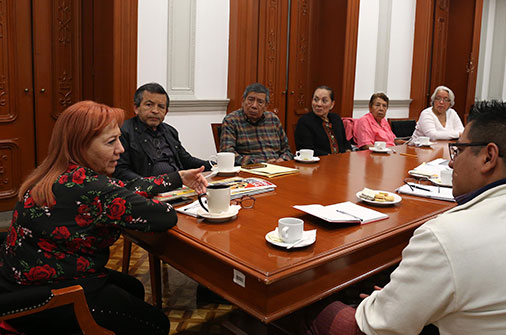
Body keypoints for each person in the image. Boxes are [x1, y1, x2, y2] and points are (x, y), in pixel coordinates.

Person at [307, 100, 506, 335]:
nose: (452, 161)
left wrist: (382, 304)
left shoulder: (447, 236)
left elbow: (378, 326)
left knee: (314, 309)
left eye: (459, 149)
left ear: (488, 157)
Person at [0, 101, 207, 334]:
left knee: (133, 287)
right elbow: (164, 217)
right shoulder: (94, 189)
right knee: (157, 324)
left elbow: (125, 185)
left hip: (17, 286)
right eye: (111, 142)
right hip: (52, 299)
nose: (121, 149)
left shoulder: (55, 173)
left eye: (119, 139)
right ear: (80, 146)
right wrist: (152, 199)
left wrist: (178, 177)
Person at [114, 82, 210, 181]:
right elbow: (121, 170)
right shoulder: (124, 132)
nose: (155, 111)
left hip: (178, 186)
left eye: (161, 106)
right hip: (148, 190)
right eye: (149, 105)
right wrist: (149, 184)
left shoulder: (170, 131)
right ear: (136, 108)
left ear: (166, 112)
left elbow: (186, 160)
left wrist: (213, 165)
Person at [220, 83, 294, 165]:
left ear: (266, 106)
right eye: (250, 100)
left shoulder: (273, 119)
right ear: (243, 101)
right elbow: (227, 153)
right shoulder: (232, 120)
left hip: (277, 169)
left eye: (260, 102)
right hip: (250, 171)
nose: (254, 106)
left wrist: (281, 160)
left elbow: (287, 150)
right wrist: (260, 164)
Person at [295, 85, 350, 156]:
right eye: (316, 100)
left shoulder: (336, 119)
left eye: (324, 101)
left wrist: (348, 152)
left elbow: (345, 142)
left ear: (332, 104)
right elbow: (306, 150)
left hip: (340, 161)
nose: (319, 104)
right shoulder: (305, 121)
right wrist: (330, 157)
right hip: (317, 163)